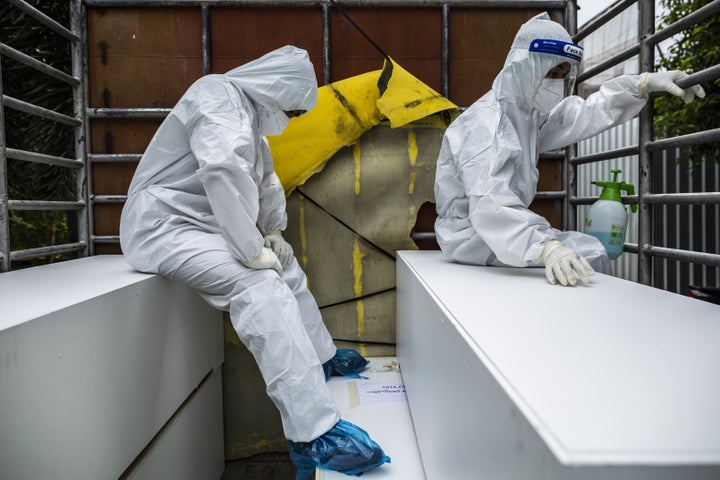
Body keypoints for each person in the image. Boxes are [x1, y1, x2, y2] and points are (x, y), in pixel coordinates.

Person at [119, 45, 389, 479]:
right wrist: (249, 248)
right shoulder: (216, 97)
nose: (292, 118)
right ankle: (314, 432)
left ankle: (320, 357)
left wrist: (273, 233)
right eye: (293, 110)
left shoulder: (249, 118)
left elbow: (263, 181)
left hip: (208, 227)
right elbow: (223, 169)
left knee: (284, 267)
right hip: (162, 227)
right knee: (258, 286)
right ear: (276, 89)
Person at [433, 12, 705, 286]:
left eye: (562, 75)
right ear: (525, 66)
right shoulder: (487, 124)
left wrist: (642, 84)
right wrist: (546, 247)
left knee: (588, 251)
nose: (555, 82)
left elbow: (580, 115)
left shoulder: (524, 115)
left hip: (495, 233)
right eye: (551, 73)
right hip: (473, 238)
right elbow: (489, 204)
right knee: (589, 254)